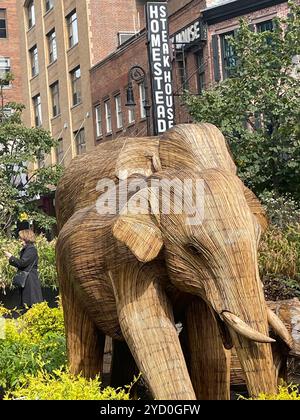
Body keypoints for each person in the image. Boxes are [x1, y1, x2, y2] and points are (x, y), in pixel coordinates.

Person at [4, 230, 43, 310]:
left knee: (30, 305)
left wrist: (11, 257)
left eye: (21, 238)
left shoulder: (31, 249)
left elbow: (22, 263)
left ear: (26, 238)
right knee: (27, 305)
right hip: (28, 280)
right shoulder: (27, 249)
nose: (19, 240)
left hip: (30, 281)